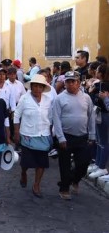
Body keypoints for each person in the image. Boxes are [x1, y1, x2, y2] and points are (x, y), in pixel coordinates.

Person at [52, 71, 96, 200]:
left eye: (73, 81)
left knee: (83, 164)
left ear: (78, 83)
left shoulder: (86, 98)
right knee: (64, 164)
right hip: (66, 136)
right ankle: (64, 188)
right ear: (65, 83)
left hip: (82, 136)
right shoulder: (59, 98)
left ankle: (74, 179)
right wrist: (60, 137)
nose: (71, 84)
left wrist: (92, 135)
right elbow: (56, 119)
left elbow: (91, 116)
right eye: (68, 82)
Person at [13, 74, 53, 198]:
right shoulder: (25, 99)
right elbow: (16, 115)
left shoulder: (48, 100)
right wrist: (16, 132)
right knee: (26, 162)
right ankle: (23, 173)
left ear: (43, 87)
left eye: (39, 86)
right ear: (31, 87)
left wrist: (51, 132)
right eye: (34, 86)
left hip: (43, 135)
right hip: (27, 135)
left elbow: (50, 118)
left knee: (41, 163)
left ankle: (36, 184)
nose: (37, 89)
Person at [87, 64, 109, 179]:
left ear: (102, 73)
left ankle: (102, 167)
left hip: (105, 115)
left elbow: (102, 102)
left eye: (98, 70)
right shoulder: (99, 84)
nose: (96, 72)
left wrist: (102, 97)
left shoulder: (104, 85)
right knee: (99, 141)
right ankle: (98, 164)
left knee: (104, 142)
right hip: (100, 114)